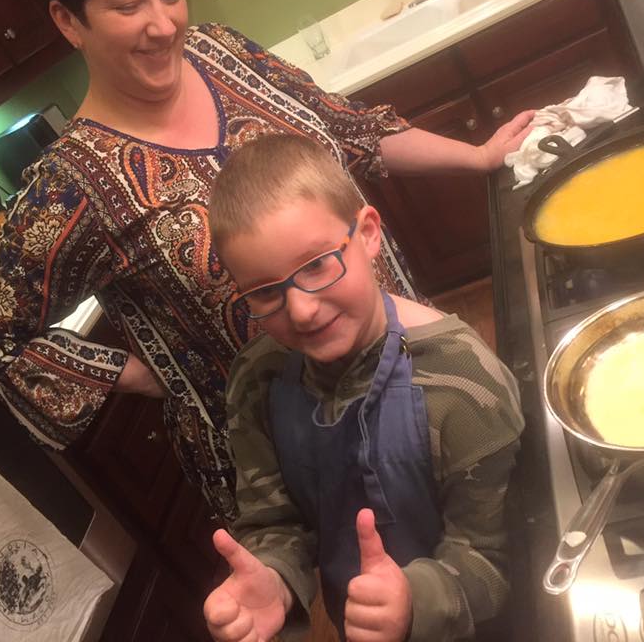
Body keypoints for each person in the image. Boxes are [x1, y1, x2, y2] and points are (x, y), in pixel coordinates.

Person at [0, 0, 533, 524]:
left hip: (412, 366)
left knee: (497, 523)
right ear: (69, 21)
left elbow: (349, 129)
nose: (162, 24)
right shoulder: (72, 186)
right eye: (129, 5)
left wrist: (478, 157)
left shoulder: (219, 51)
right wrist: (155, 377)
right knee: (388, 593)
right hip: (305, 455)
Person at [203, 134, 525, 641]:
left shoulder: (465, 387)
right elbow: (277, 521)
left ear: (369, 234)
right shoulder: (257, 381)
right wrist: (272, 576)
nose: (302, 309)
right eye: (265, 292)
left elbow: (495, 560)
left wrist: (412, 601)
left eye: (316, 264)